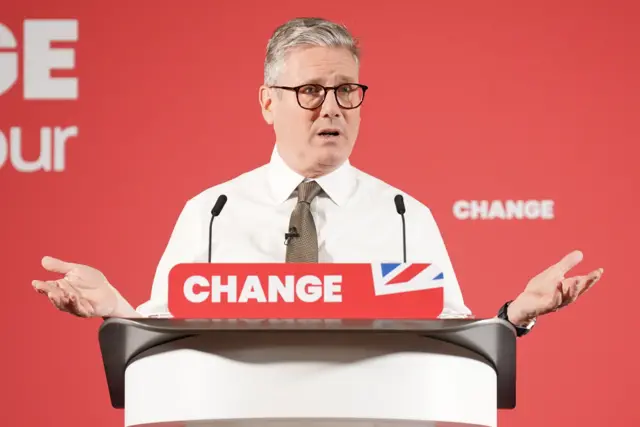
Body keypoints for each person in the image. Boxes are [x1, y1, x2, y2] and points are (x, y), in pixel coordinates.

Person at [31, 17, 603, 335]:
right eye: (309, 91)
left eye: (346, 90)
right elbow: (166, 331)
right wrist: (115, 309)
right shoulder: (211, 212)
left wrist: (514, 316)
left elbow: (454, 338)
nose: (331, 108)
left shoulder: (406, 215)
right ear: (266, 103)